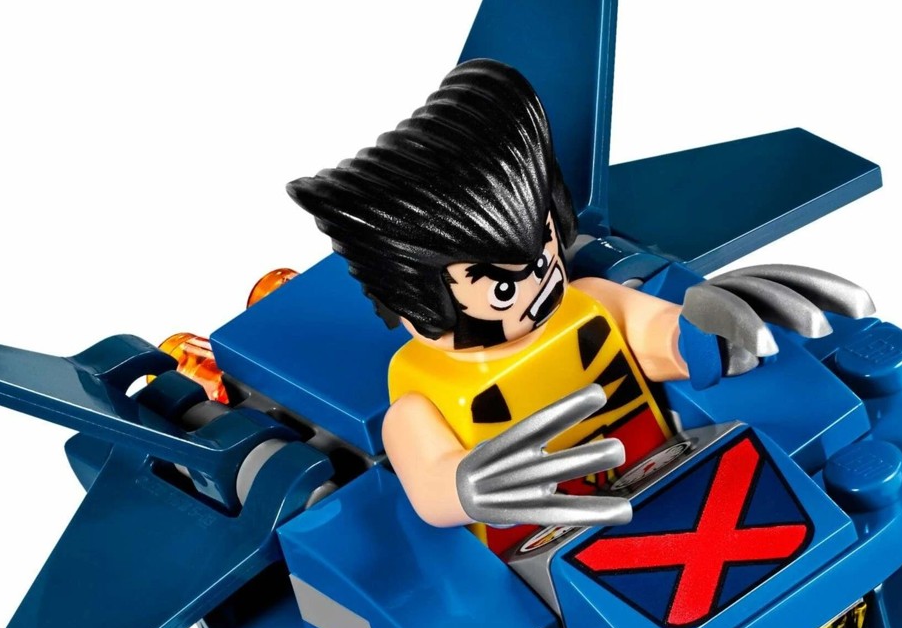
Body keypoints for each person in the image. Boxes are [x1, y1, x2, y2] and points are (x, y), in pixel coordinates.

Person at [288, 59, 762, 551]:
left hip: (667, 480)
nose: (537, 284)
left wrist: (713, 330)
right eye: (502, 288)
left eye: (542, 255)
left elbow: (664, 337)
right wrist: (465, 487)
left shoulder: (593, 303)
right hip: (535, 550)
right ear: (417, 299)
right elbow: (432, 484)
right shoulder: (420, 404)